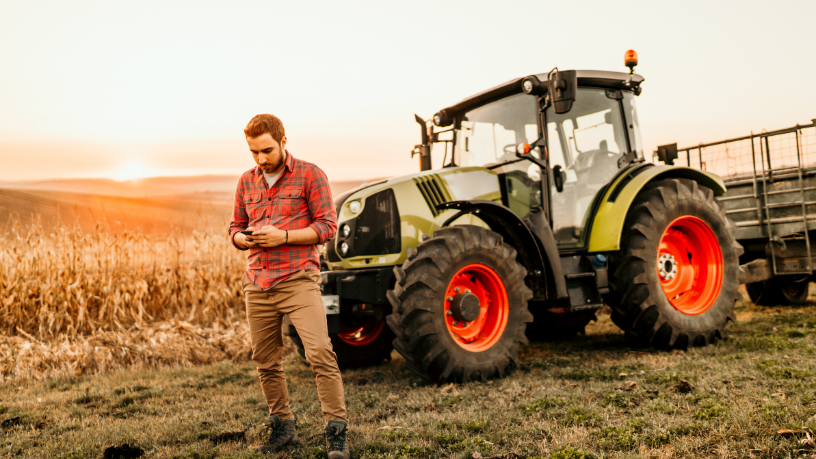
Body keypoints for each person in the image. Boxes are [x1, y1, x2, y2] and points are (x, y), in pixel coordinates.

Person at [228, 114, 348, 458]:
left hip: (298, 279)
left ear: (283, 141)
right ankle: (283, 429)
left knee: (320, 354)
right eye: (254, 152)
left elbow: (327, 226)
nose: (261, 159)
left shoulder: (311, 174)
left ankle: (336, 432)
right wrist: (242, 239)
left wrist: (282, 237)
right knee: (265, 360)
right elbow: (235, 227)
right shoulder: (246, 181)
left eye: (266, 150)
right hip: (257, 282)